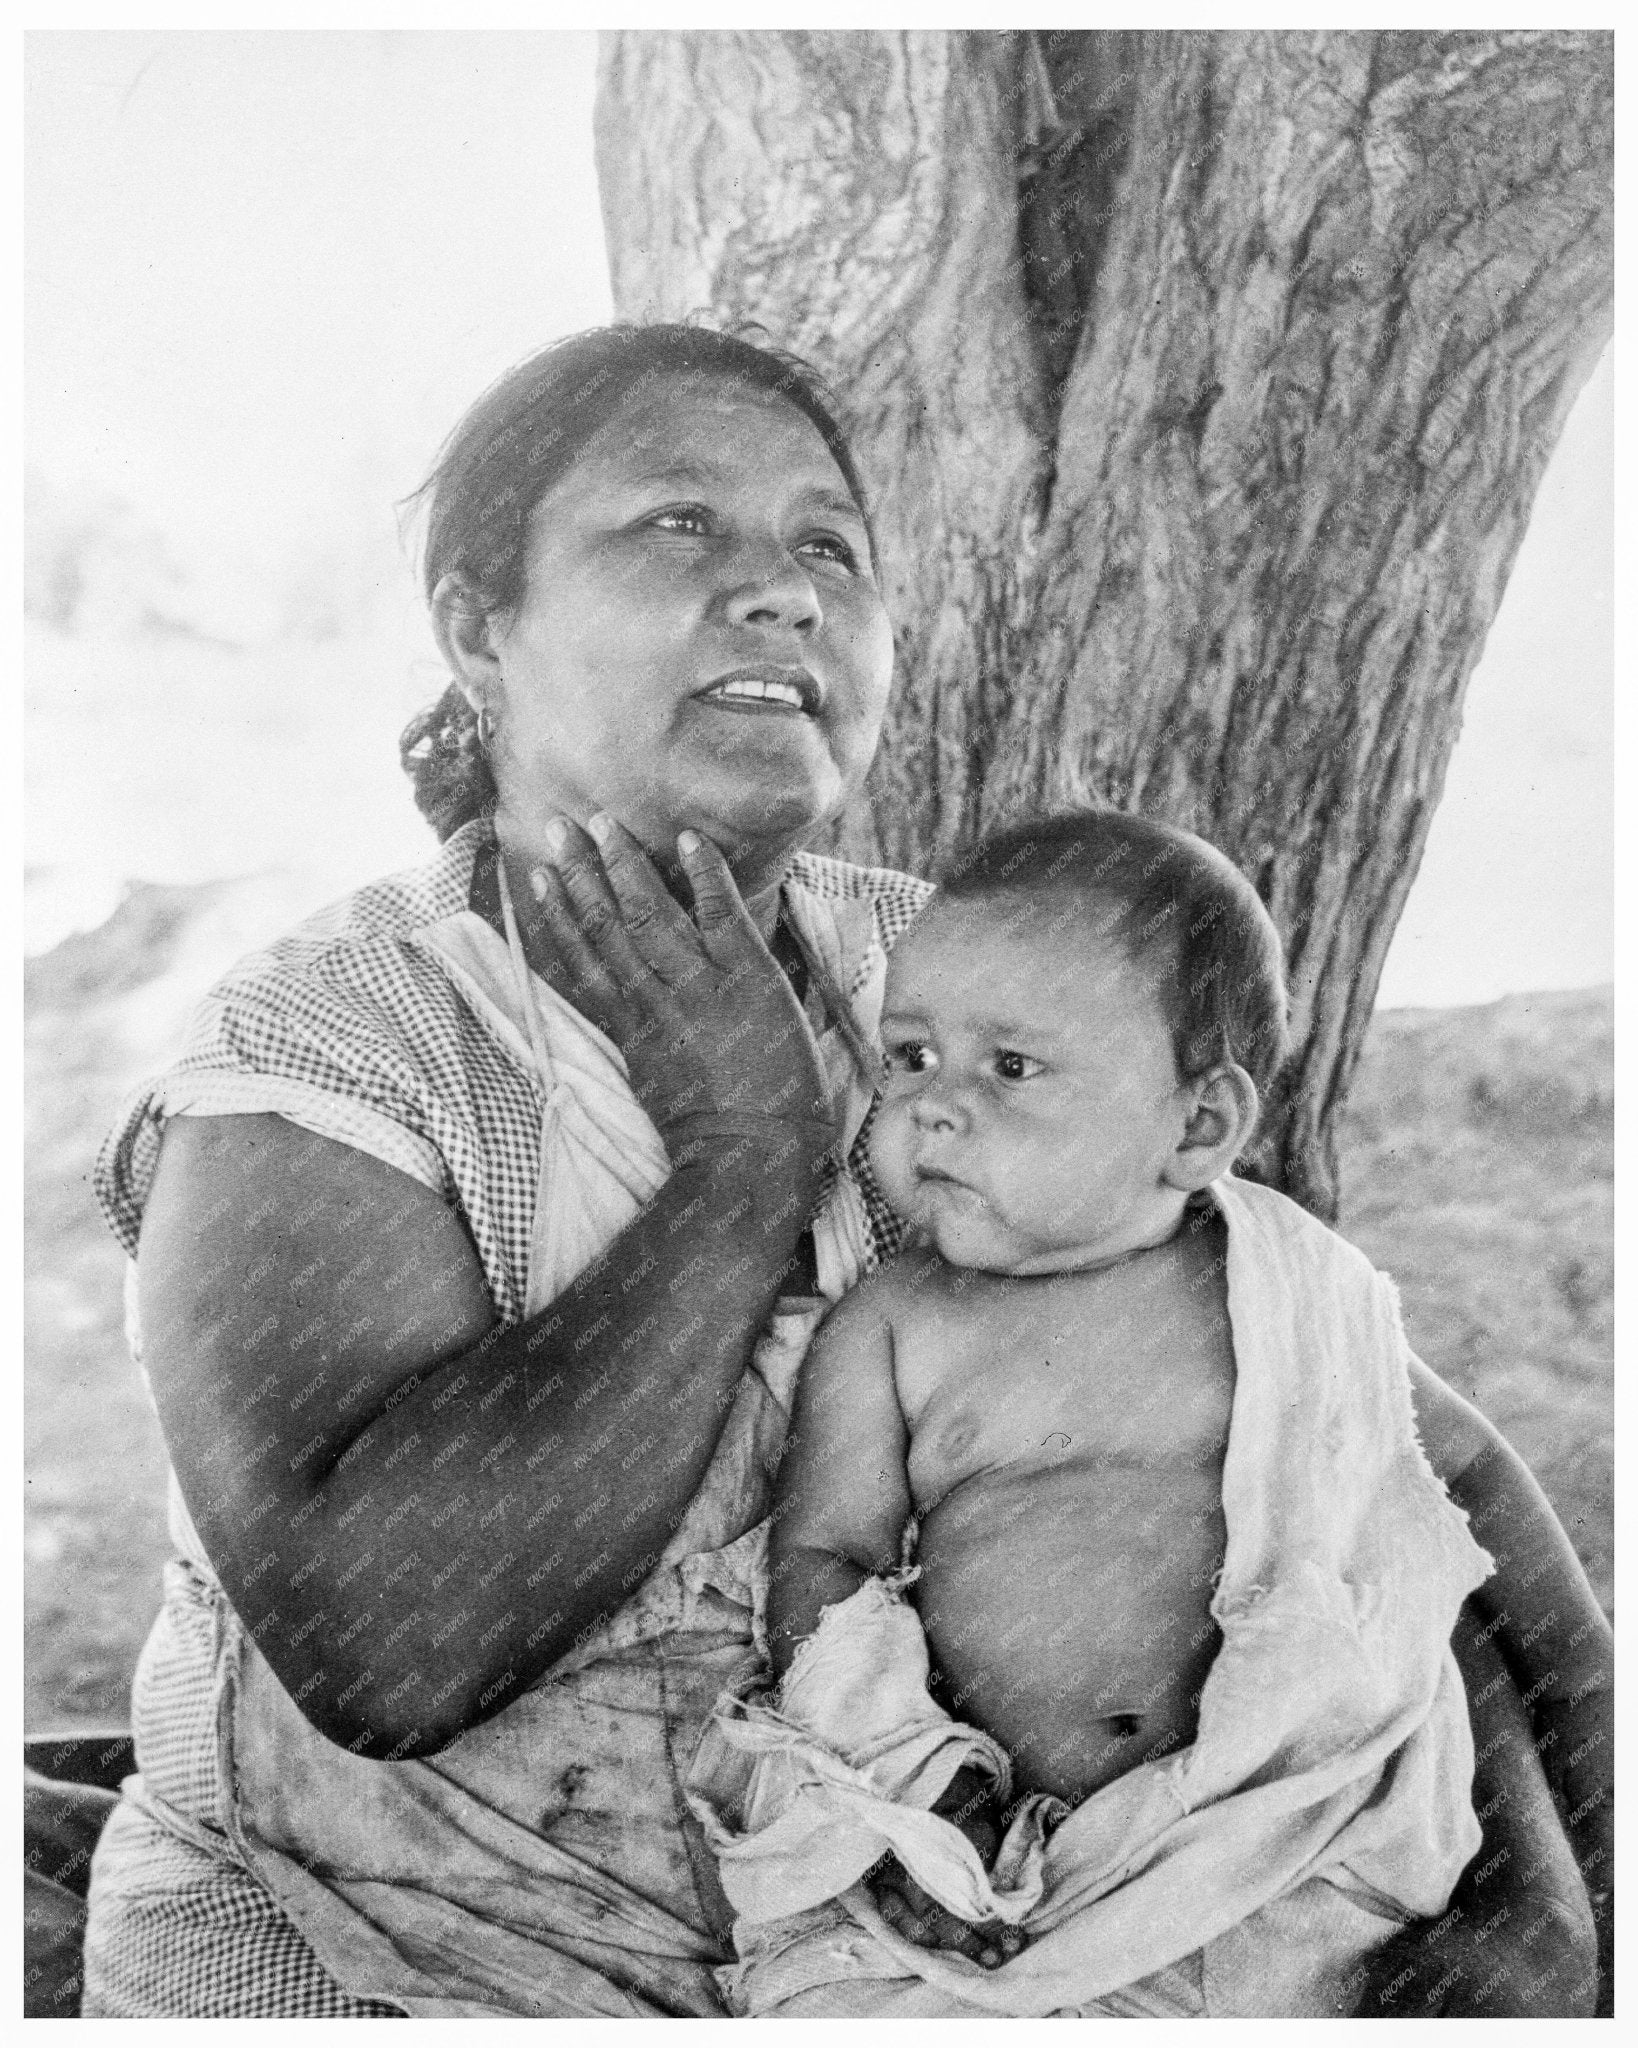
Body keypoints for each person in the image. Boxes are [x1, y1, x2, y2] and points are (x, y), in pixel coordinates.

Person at [77, 326, 1598, 2017]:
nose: (779, 591)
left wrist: (1547, 1895)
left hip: (979, 1951)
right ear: (475, 628)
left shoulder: (953, 977)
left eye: (827, 547)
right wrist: (740, 1157)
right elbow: (382, 1648)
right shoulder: (337, 1046)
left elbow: (1357, 1443)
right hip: (392, 1964)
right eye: (675, 524)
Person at [689, 811, 1613, 2018]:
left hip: (1284, 1836)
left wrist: (1587, 1683)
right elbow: (827, 1557)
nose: (933, 1107)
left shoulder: (1286, 1286)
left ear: (1198, 1126)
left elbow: (1469, 1479)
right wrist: (899, 1780)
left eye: (1010, 1068)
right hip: (993, 1856)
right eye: (909, 1056)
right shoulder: (895, 1324)